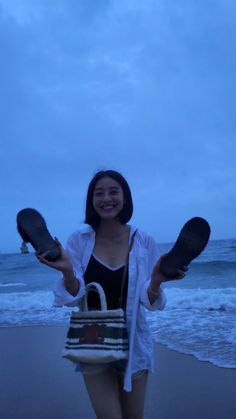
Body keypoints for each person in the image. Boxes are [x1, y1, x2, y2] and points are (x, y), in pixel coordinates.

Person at [37, 170, 186, 419]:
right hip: (92, 341)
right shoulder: (79, 240)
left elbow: (149, 303)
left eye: (113, 191)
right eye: (99, 193)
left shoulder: (143, 241)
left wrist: (157, 282)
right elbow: (73, 297)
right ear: (91, 200)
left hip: (134, 342)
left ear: (125, 197)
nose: (107, 198)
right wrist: (67, 273)